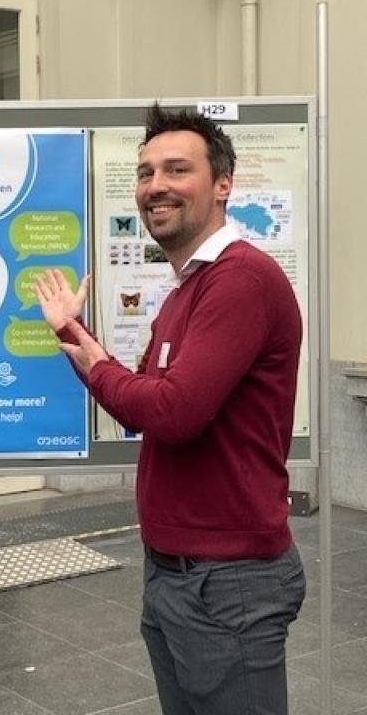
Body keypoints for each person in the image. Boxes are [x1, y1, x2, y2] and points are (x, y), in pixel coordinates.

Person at [36, 103, 305, 715]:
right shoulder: (189, 288)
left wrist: (98, 365)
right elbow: (141, 406)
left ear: (223, 185)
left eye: (177, 169)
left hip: (226, 581)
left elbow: (174, 412)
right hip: (180, 575)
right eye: (145, 172)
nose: (155, 186)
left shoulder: (240, 281)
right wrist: (79, 341)